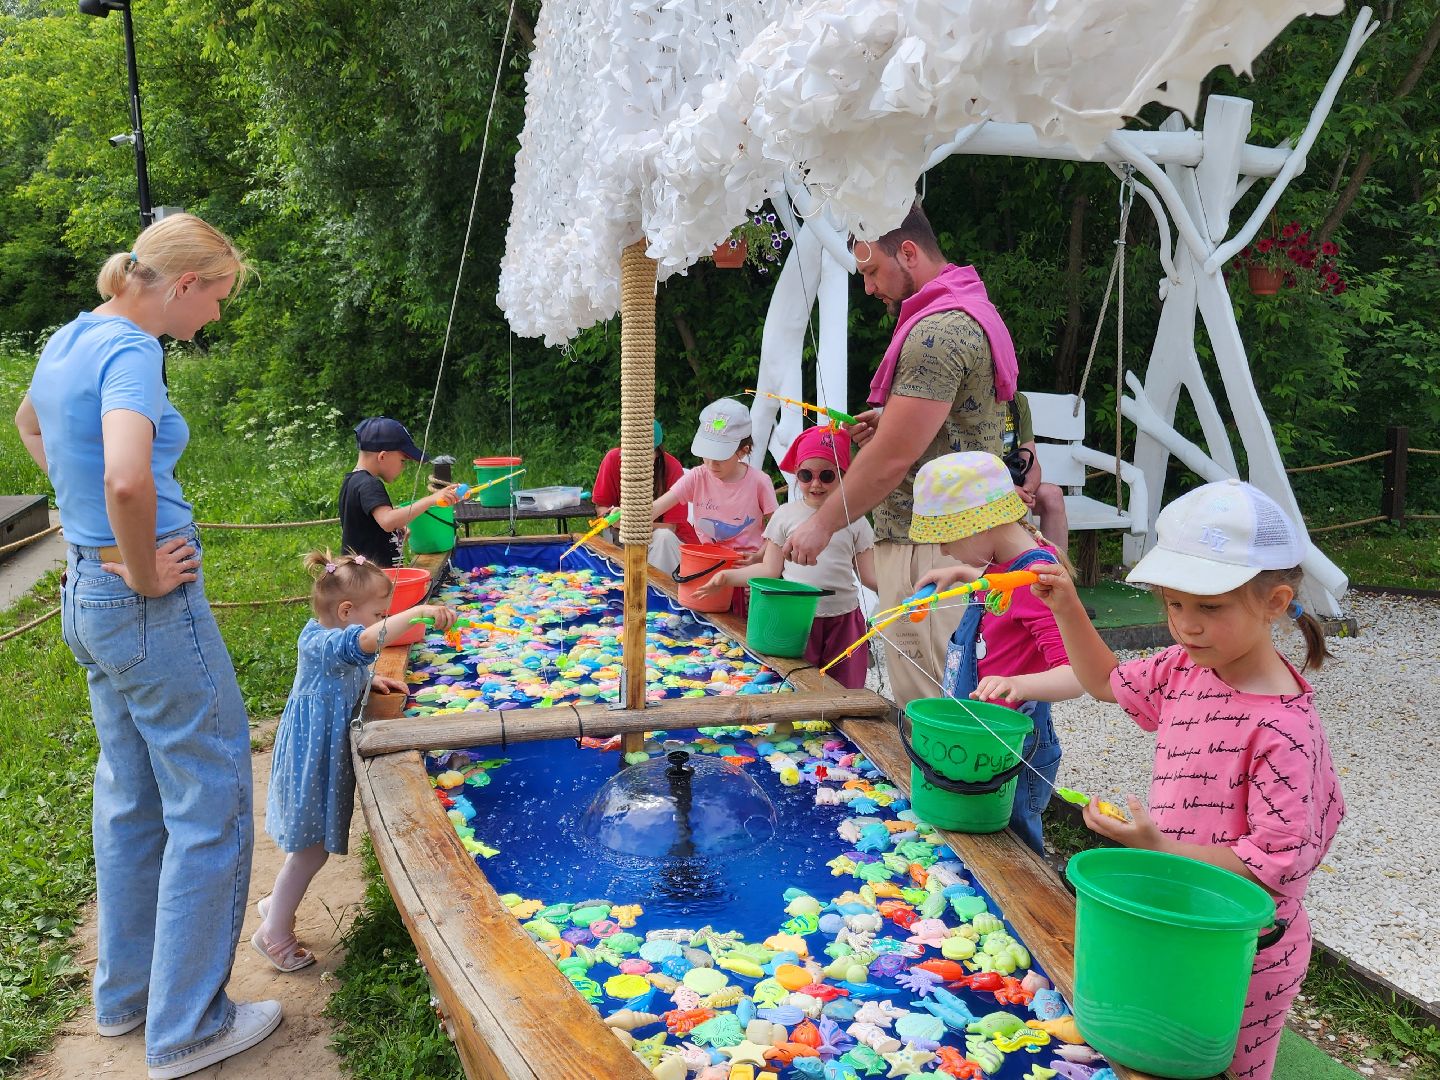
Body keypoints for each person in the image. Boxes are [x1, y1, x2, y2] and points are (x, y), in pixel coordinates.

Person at [14, 214, 282, 1078]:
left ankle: (125, 998)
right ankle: (189, 1027)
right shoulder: (133, 350)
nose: (215, 317)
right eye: (218, 298)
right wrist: (139, 567)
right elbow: (128, 476)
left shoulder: (70, 337)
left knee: (131, 799)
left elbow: (28, 424)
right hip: (141, 605)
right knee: (212, 799)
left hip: (86, 597)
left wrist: (87, 529)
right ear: (184, 284)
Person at [1031, 479, 1344, 1080]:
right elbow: (1105, 683)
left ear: (1275, 602)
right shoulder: (1186, 668)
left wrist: (1159, 847)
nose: (1185, 626)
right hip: (1175, 915)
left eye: (1209, 607)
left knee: (1217, 1068)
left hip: (1241, 949)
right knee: (1149, 1053)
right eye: (1174, 605)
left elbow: (1273, 865)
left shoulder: (1284, 732)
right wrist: (1066, 605)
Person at [783, 203, 1019, 711]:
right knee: (966, 692)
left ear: (908, 252)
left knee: (938, 704)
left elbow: (892, 459)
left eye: (872, 271)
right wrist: (890, 422)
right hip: (960, 537)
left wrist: (821, 524)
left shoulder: (935, 334)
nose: (868, 288)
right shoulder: (969, 307)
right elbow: (942, 428)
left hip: (931, 545)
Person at [255, 552, 455, 971]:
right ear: (346, 611)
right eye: (379, 615)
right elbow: (361, 642)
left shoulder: (330, 638)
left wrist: (368, 678)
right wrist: (416, 612)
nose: (383, 621)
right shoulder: (322, 642)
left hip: (317, 755)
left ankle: (277, 904)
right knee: (311, 851)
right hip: (312, 761)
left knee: (309, 847)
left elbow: (351, 659)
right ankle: (273, 934)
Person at [909, 452, 1081, 855]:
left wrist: (1018, 684)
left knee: (1014, 848)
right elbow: (1005, 592)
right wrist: (963, 575)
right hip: (983, 742)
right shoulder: (1005, 564)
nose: (943, 550)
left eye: (947, 537)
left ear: (980, 525)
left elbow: (1077, 675)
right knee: (976, 835)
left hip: (1013, 752)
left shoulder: (1037, 581)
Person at [697, 426, 877, 688]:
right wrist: (727, 577)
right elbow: (769, 570)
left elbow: (869, 576)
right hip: (795, 618)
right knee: (795, 683)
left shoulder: (854, 518)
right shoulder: (785, 515)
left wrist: (905, 592)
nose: (815, 484)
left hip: (844, 619)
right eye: (806, 475)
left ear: (843, 475)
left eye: (827, 476)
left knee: (846, 688)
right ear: (796, 474)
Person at [652, 397, 778, 559]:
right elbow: (656, 507)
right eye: (707, 454)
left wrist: (760, 556)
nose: (711, 464)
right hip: (705, 560)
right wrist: (628, 517)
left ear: (743, 451)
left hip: (744, 564)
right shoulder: (697, 476)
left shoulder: (759, 482)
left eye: (720, 456)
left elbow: (778, 528)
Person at [339, 417, 457, 567]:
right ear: (382, 456)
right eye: (403, 461)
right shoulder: (369, 484)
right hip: (372, 578)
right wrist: (431, 500)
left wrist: (397, 527)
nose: (403, 467)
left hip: (358, 575)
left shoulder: (352, 482)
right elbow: (388, 521)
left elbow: (369, 524)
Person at [591, 419, 699, 575]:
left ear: (657, 452)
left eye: (644, 454)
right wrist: (609, 516)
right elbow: (602, 506)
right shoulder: (613, 459)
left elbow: (670, 527)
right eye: (631, 451)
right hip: (623, 537)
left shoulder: (672, 468)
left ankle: (657, 589)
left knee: (663, 538)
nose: (636, 459)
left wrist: (630, 525)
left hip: (669, 541)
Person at [1003, 391, 1069, 554]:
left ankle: (1057, 565)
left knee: (1053, 494)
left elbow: (1032, 463)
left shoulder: (1017, 402)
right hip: (982, 486)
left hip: (1015, 486)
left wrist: (1028, 490)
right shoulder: (974, 398)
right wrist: (1008, 491)